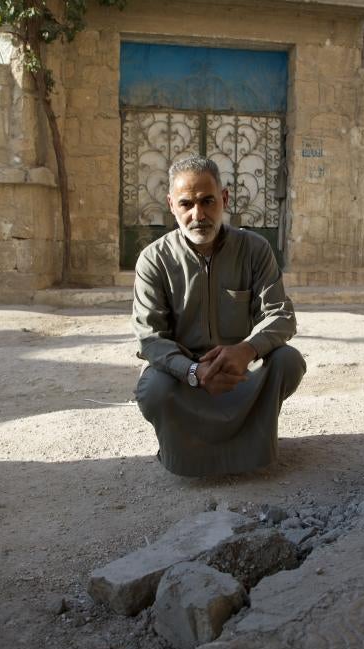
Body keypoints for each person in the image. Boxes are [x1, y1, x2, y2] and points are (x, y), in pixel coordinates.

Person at [132, 156, 306, 477]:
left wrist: (246, 351)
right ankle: (186, 452)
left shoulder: (254, 249)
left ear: (224, 199)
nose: (197, 214)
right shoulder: (153, 260)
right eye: (186, 204)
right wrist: (194, 372)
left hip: (239, 377)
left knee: (288, 361)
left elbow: (281, 315)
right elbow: (150, 340)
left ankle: (252, 444)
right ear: (171, 205)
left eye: (207, 201)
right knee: (153, 388)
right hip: (184, 379)